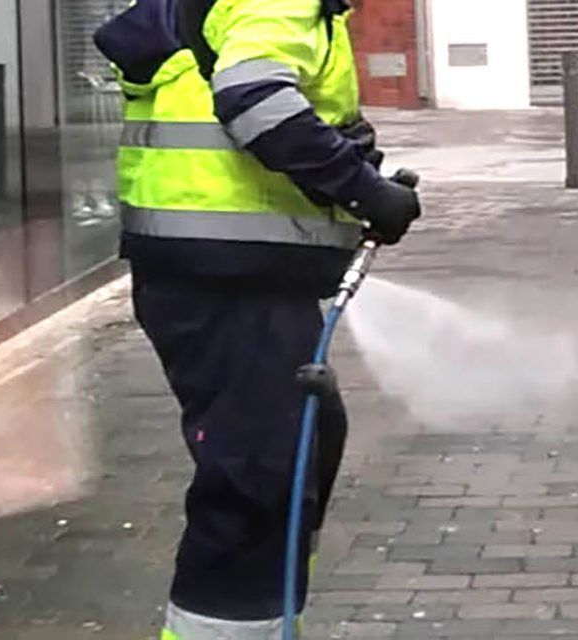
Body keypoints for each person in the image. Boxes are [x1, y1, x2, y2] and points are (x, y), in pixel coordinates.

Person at [94, 0, 421, 637]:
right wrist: (363, 189)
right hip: (229, 285)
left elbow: (243, 106)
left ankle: (271, 620)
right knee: (258, 481)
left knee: (302, 441)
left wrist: (346, 156)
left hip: (222, 278)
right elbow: (255, 98)